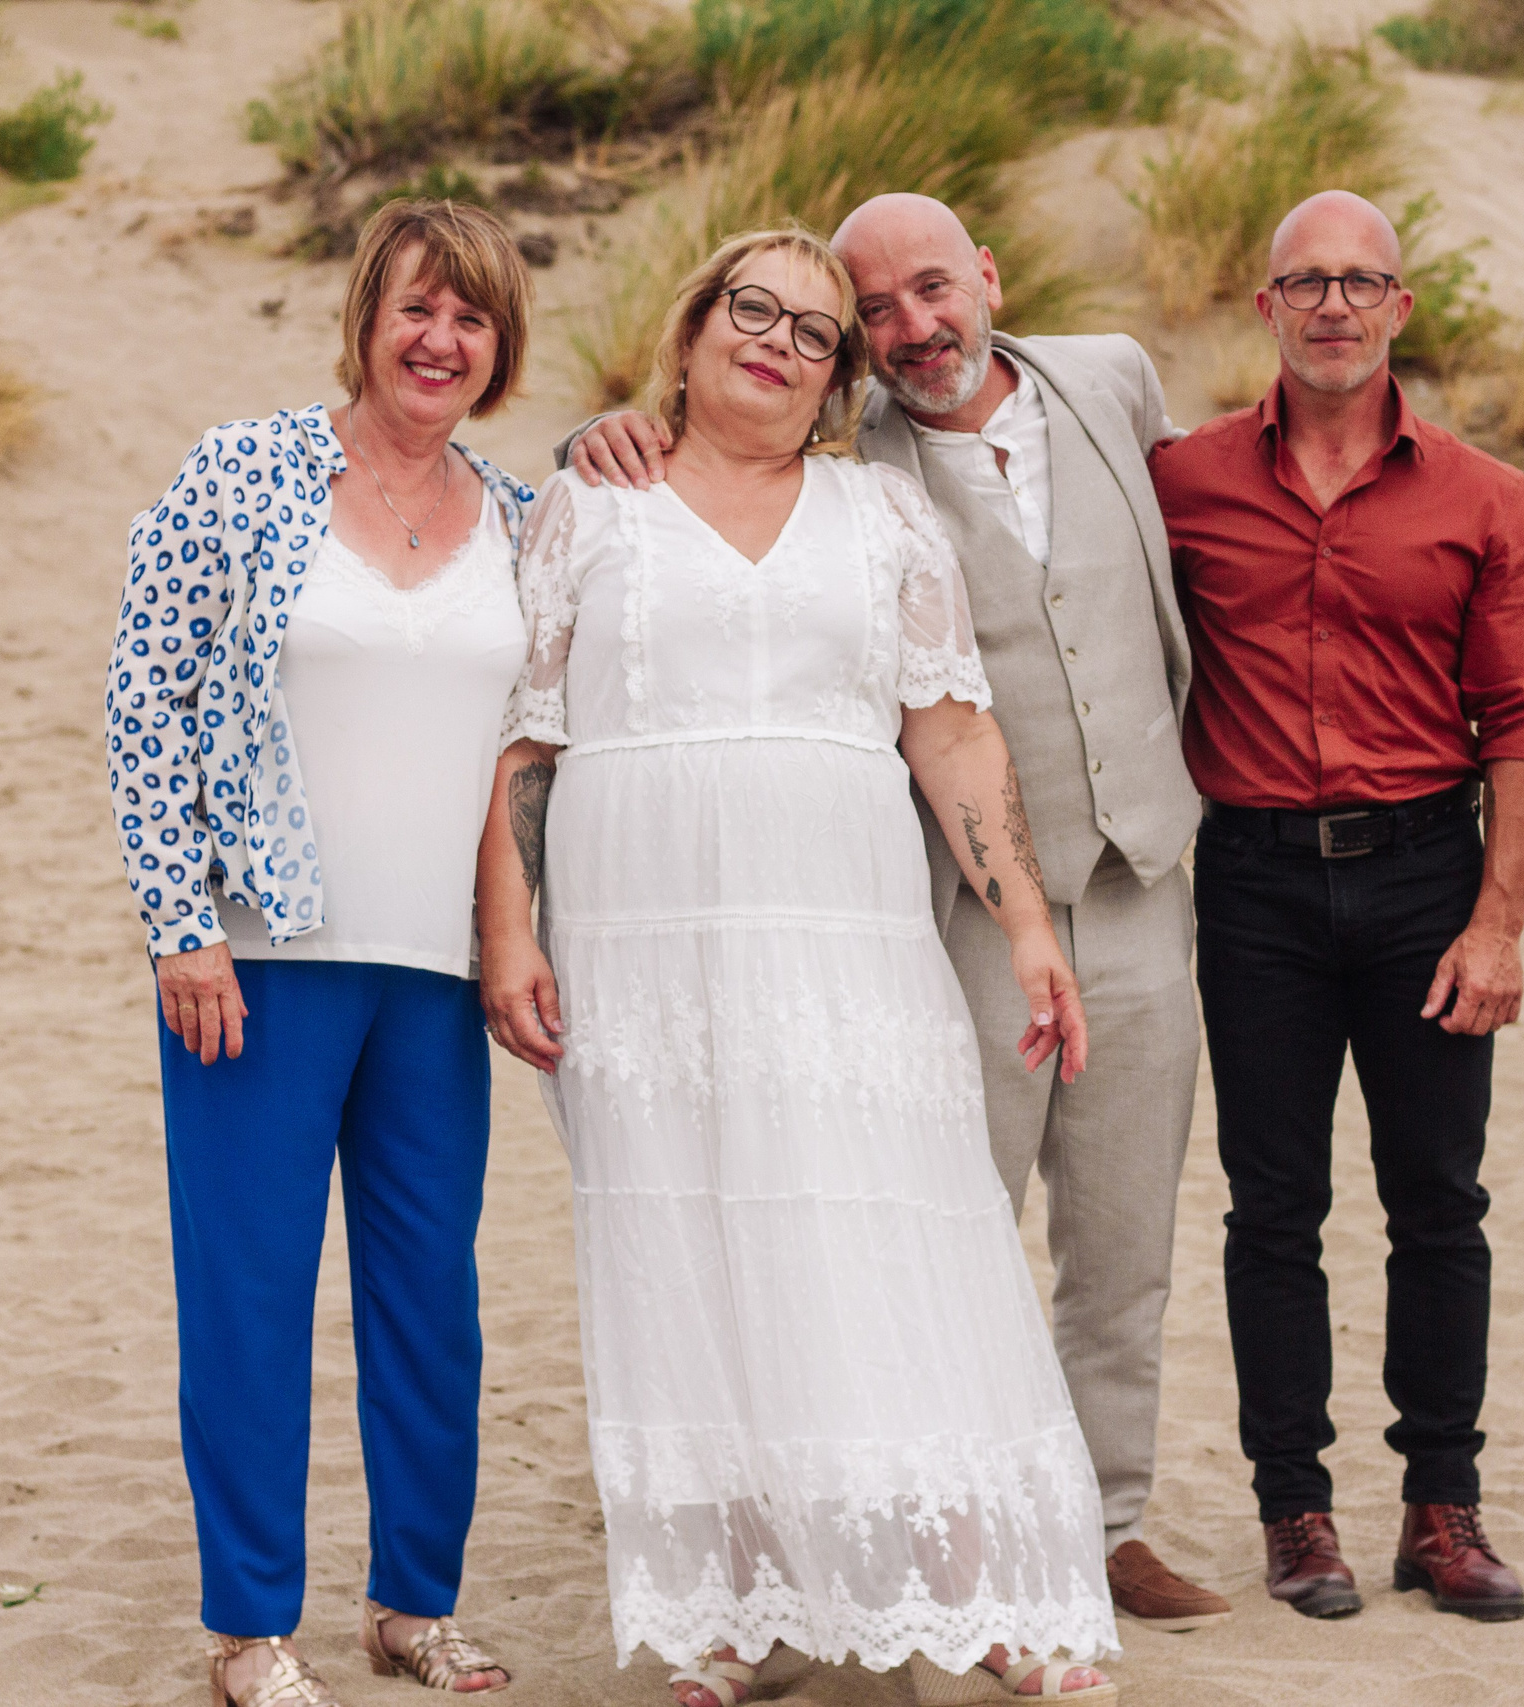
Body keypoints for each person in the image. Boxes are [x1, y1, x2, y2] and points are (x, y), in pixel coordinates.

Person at [562, 194, 1228, 1636]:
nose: (913, 326)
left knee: (1123, 1240)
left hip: (1142, 885)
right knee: (938, 1238)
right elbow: (694, 483)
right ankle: (940, 1541)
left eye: (934, 289)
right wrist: (595, 433)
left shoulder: (1110, 376)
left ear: (988, 279)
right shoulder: (852, 463)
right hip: (947, 915)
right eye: (875, 312)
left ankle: (1102, 1525)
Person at [105, 199, 538, 1707]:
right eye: (418, 309)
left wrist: (509, 944)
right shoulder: (243, 471)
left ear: (500, 348)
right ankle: (250, 1630)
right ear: (366, 316)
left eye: (472, 318)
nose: (441, 341)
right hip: (258, 964)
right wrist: (181, 927)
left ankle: (414, 1604)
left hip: (433, 978)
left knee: (432, 1296)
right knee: (250, 1292)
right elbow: (143, 697)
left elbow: (520, 761)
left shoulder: (521, 519)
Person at [1148, 190, 1524, 1624]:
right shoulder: (1181, 481)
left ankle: (1442, 1512)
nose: (1332, 304)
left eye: (1361, 281)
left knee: (1440, 1203)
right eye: (1304, 281)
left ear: (1401, 308)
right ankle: (1298, 1514)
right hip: (1252, 879)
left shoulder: (1483, 498)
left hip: (1425, 880)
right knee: (1275, 1208)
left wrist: (1496, 920)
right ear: (1264, 307)